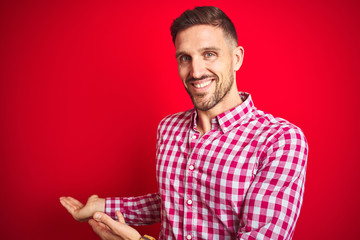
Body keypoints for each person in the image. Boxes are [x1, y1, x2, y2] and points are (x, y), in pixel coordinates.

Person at [60, 6, 308, 240]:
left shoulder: (280, 140)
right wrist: (102, 206)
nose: (196, 71)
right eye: (185, 58)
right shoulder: (168, 128)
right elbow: (176, 200)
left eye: (209, 54)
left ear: (237, 58)